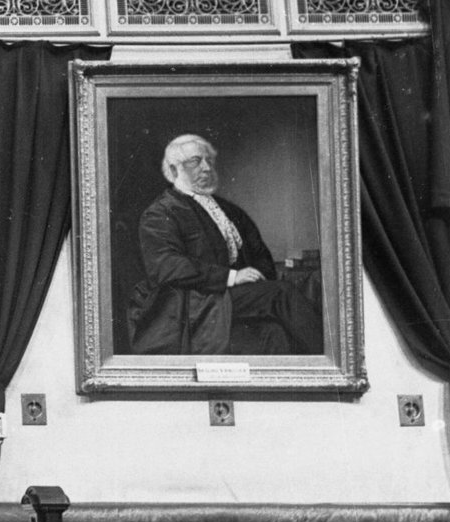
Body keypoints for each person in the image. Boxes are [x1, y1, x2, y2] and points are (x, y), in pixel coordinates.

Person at [125, 131, 324, 358]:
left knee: (275, 332)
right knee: (283, 294)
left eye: (209, 161)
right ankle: (327, 360)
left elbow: (259, 252)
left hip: (238, 297)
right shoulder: (161, 212)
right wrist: (232, 277)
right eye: (195, 162)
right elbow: (166, 266)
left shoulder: (228, 210)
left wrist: (257, 277)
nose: (207, 168)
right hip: (196, 303)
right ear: (173, 170)